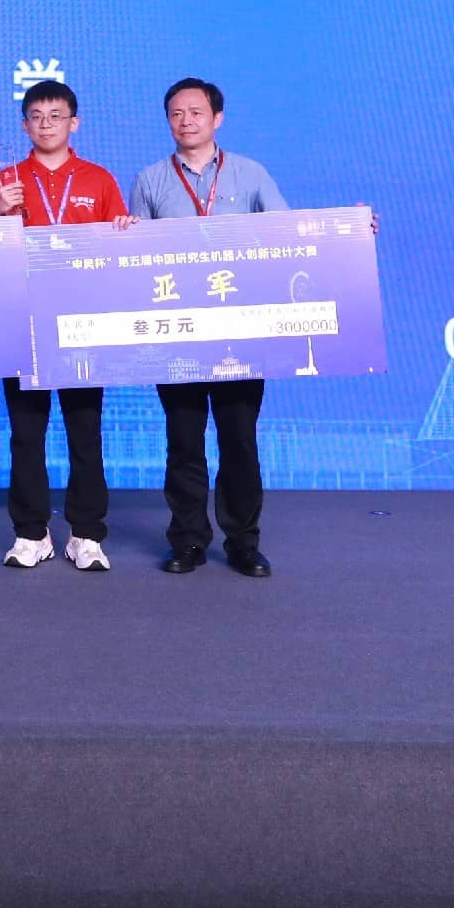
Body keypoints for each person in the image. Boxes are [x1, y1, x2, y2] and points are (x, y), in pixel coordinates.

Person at [127, 77, 293, 579]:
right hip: (177, 333)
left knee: (238, 439)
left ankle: (243, 542)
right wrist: (123, 235)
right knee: (183, 441)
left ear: (217, 118)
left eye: (196, 112)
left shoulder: (250, 173)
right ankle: (189, 540)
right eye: (176, 114)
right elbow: (133, 260)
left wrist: (347, 232)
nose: (186, 121)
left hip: (239, 334)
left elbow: (288, 234)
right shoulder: (150, 180)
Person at [0, 77, 131, 571]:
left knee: (85, 431)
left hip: (81, 323)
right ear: (25, 126)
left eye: (56, 116)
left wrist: (124, 231)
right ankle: (31, 532)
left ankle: (86, 533)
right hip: (22, 322)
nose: (46, 125)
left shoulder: (98, 179)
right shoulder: (7, 179)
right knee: (26, 433)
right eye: (36, 117)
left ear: (74, 123)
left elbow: (119, 251)